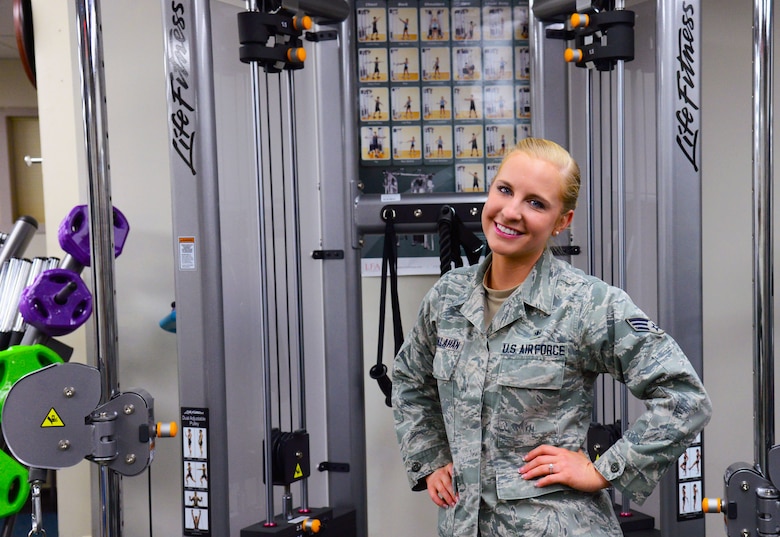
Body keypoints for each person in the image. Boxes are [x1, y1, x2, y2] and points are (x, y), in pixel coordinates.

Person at [391, 137, 711, 536]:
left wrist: (603, 469)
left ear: (562, 220)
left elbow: (684, 398)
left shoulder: (587, 304)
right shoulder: (449, 297)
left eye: (536, 203)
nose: (511, 212)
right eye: (504, 190)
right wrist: (431, 455)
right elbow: (409, 379)